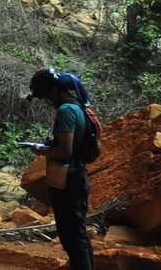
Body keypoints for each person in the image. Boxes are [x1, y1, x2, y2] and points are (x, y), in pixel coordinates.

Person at [27, 68, 96, 270]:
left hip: (68, 180)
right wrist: (53, 142)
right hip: (77, 176)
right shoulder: (78, 107)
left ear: (56, 91)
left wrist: (40, 152)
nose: (47, 102)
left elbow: (65, 151)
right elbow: (73, 143)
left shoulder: (66, 111)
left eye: (47, 97)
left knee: (72, 238)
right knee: (79, 235)